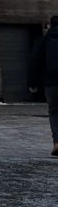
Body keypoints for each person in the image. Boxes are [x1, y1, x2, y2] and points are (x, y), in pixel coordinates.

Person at [37, 16, 58, 157]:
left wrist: (33, 82)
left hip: (51, 84)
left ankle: (57, 142)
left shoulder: (44, 40)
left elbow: (35, 61)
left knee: (54, 112)